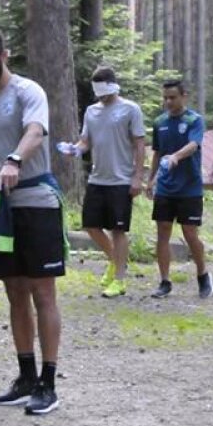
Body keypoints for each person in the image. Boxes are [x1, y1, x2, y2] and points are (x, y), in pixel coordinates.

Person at [0, 26, 66, 416]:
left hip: (37, 202)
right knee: (14, 291)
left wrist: (14, 159)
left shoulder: (28, 91)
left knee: (43, 292)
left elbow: (35, 132)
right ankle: (25, 376)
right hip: (2, 206)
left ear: (3, 56)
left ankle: (49, 382)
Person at [59, 67, 146, 298]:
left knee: (118, 229)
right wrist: (75, 150)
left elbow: (139, 143)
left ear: (113, 86)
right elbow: (86, 140)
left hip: (121, 178)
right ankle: (115, 261)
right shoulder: (91, 111)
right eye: (99, 93)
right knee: (90, 225)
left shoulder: (130, 109)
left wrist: (138, 176)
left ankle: (119, 280)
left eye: (105, 91)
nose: (102, 97)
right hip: (98, 178)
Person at [144, 80, 213, 299]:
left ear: (184, 96)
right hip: (165, 187)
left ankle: (202, 274)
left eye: (172, 97)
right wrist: (151, 179)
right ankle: (165, 281)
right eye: (165, 97)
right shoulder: (159, 122)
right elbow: (157, 152)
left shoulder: (194, 120)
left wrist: (175, 157)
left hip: (190, 187)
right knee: (162, 231)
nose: (168, 102)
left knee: (190, 234)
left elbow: (194, 145)